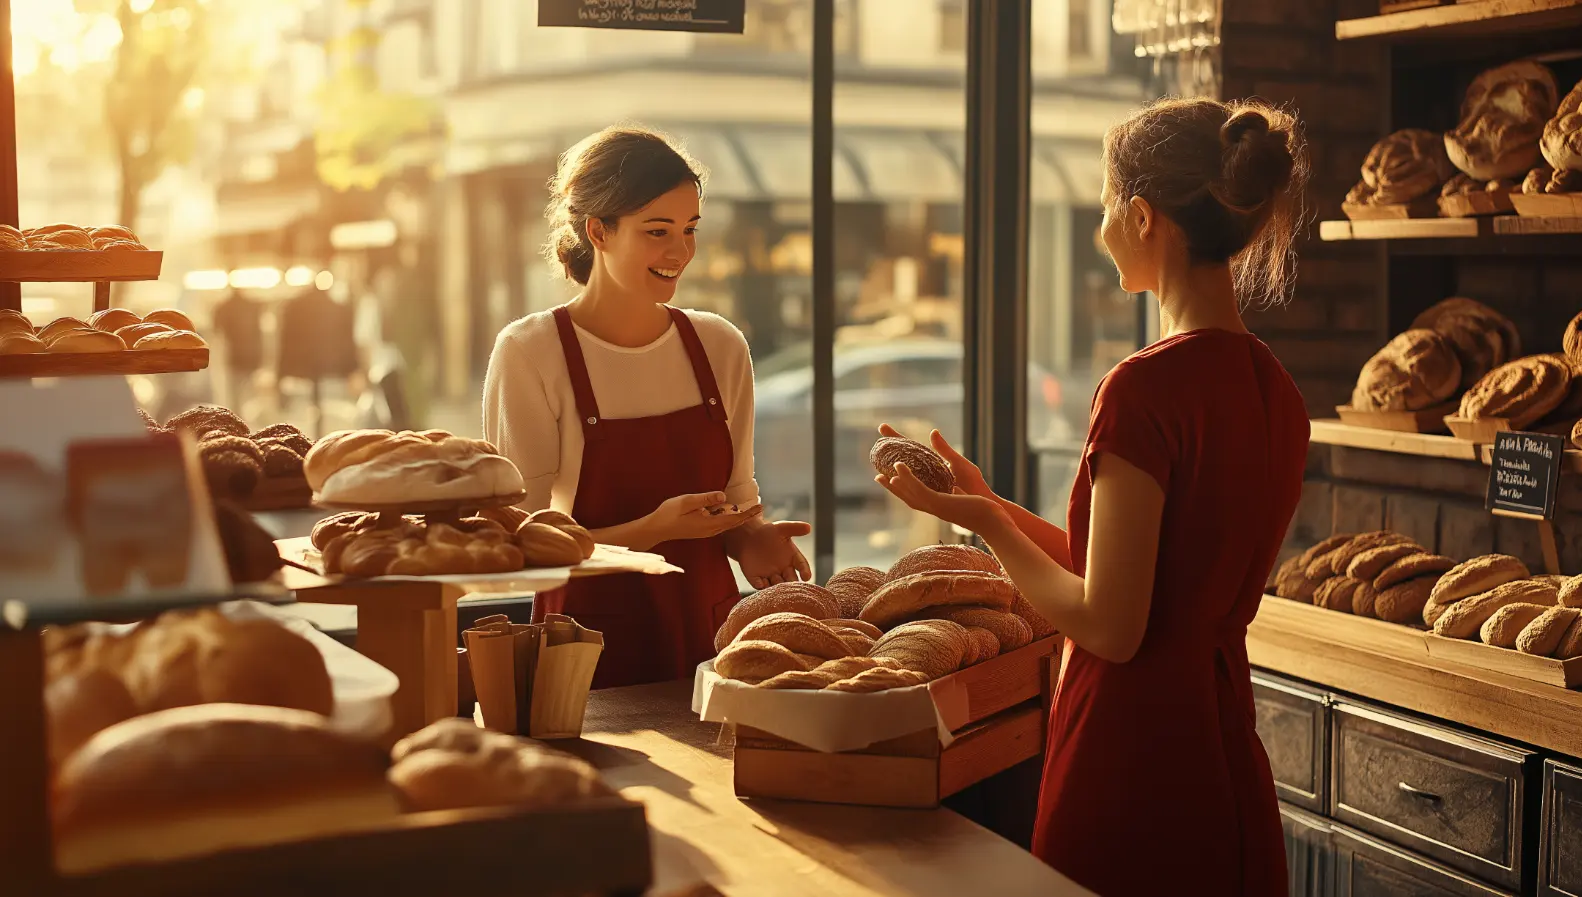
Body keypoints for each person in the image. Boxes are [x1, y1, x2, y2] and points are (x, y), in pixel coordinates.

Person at [876, 98, 1310, 897]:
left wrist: (984, 528)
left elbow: (1112, 624)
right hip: (1222, 747)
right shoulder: (1277, 389)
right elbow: (1149, 578)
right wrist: (994, 506)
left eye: (1108, 201)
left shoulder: (1144, 387)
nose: (1101, 223)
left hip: (1130, 750)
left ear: (1143, 217)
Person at [483, 126, 812, 689]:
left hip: (713, 634)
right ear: (598, 232)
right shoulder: (531, 351)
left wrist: (750, 536)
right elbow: (523, 538)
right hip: (586, 640)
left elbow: (734, 502)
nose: (680, 252)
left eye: (690, 230)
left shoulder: (719, 346)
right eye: (657, 231)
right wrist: (651, 531)